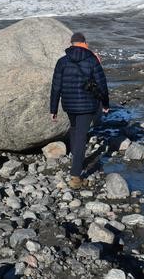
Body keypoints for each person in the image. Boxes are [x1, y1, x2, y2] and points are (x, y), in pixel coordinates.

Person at [50, 32, 109, 189]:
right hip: (88, 105)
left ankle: (77, 159)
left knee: (75, 131)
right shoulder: (92, 60)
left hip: (69, 105)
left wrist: (53, 108)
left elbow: (56, 86)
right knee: (81, 136)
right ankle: (76, 177)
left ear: (71, 43)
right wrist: (105, 103)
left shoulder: (62, 62)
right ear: (84, 42)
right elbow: (102, 84)